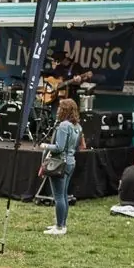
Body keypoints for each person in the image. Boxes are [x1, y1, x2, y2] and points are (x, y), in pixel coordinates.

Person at [42, 97, 83, 237]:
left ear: (64, 110)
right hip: (71, 161)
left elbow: (59, 147)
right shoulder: (77, 126)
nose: (58, 110)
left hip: (60, 162)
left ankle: (59, 226)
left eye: (60, 108)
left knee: (58, 196)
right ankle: (62, 223)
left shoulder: (64, 126)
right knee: (64, 195)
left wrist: (45, 145)